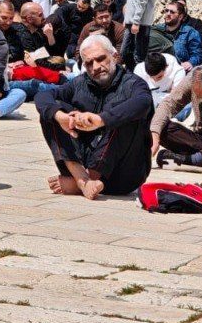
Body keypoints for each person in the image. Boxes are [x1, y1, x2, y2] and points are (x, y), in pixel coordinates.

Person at [35, 33, 152, 199]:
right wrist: (62, 117)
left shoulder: (133, 84)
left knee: (126, 114)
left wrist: (100, 120)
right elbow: (43, 96)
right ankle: (82, 180)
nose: (95, 67)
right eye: (88, 63)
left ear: (115, 56)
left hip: (122, 174)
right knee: (53, 109)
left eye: (100, 59)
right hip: (81, 165)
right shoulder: (79, 83)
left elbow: (143, 102)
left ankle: (83, 181)